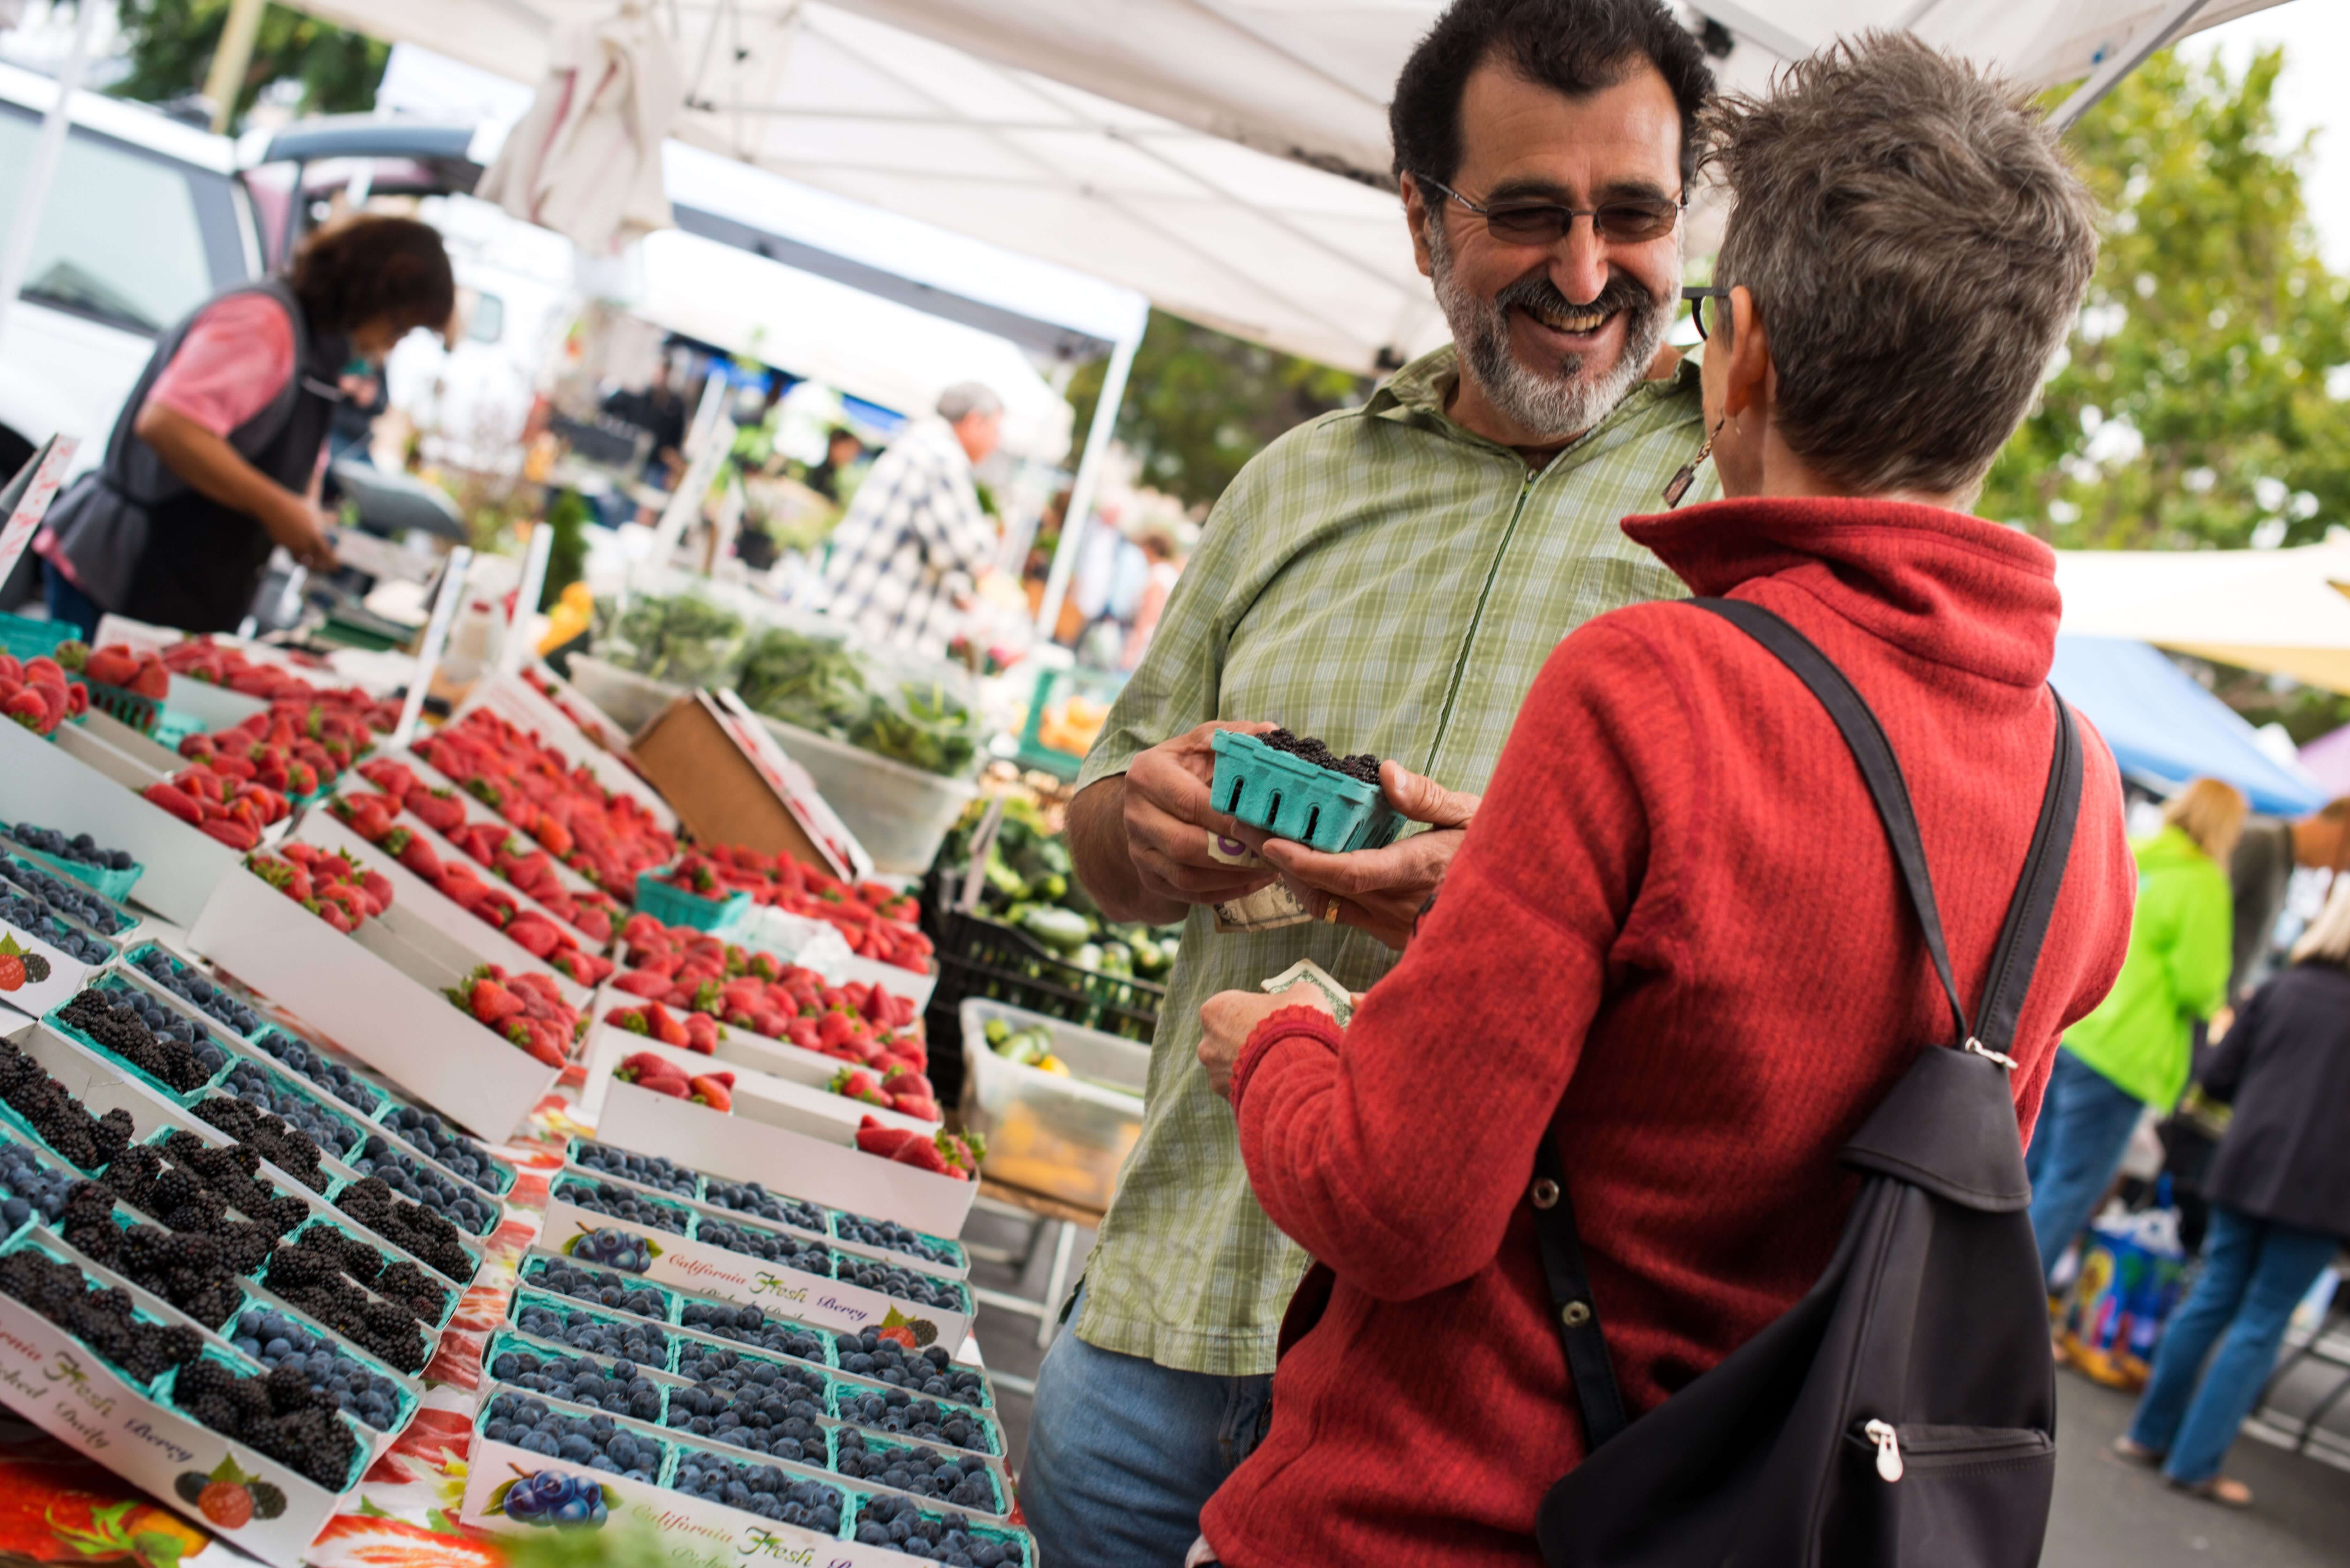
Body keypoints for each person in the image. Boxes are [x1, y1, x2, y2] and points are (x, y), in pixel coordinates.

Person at [1181, 35, 2132, 1564]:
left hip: (1426, 1519)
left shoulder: (1650, 690)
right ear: (2000, 403)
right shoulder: (2082, 807)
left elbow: (1397, 1202)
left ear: (1736, 348)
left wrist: (1277, 1044)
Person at [1024, 2, 1724, 1556]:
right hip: (1163, 1314)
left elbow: (1777, 981)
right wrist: (1134, 821)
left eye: (1634, 215)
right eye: (1529, 214)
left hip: (1457, 1425)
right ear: (1420, 216)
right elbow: (1090, 839)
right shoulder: (1295, 485)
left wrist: (1519, 919)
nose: (1587, 272)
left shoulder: (1736, 518)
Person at [36, 215, 454, 637]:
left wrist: (305, 511)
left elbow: (294, 448)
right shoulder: (264, 322)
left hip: (188, 581)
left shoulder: (315, 344)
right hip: (126, 568)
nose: (394, 343)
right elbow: (169, 425)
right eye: (399, 326)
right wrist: (278, 508)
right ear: (373, 294)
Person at [2118, 877, 2350, 1507]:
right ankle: (2193, 1463)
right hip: (2323, 1192)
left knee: (2210, 1294)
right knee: (2259, 1320)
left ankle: (2146, 1434)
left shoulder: (2279, 988)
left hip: (2243, 1164)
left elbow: (2216, 1077)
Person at [2027, 777, 2243, 1283]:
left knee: (2023, 1173)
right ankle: (1995, 1320)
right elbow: (2200, 985)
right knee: (2069, 1188)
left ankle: (1953, 1293)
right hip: (2126, 1055)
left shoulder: (2134, 852)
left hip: (2073, 1028)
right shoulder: (2202, 883)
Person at [812, 382, 1002, 659]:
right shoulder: (940, 456)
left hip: (854, 620)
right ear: (974, 421)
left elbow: (933, 546)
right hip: (870, 633)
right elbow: (972, 553)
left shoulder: (919, 443)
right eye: (996, 430)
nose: (997, 443)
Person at [2225, 797, 2350, 1000]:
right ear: (2338, 832)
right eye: (2345, 859)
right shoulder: (2263, 844)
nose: (2333, 868)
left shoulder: (2283, 861)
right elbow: (2205, 913)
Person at [803, 426, 864, 503]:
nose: (852, 457)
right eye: (850, 450)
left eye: (856, 453)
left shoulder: (833, 473)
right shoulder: (818, 473)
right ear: (836, 444)